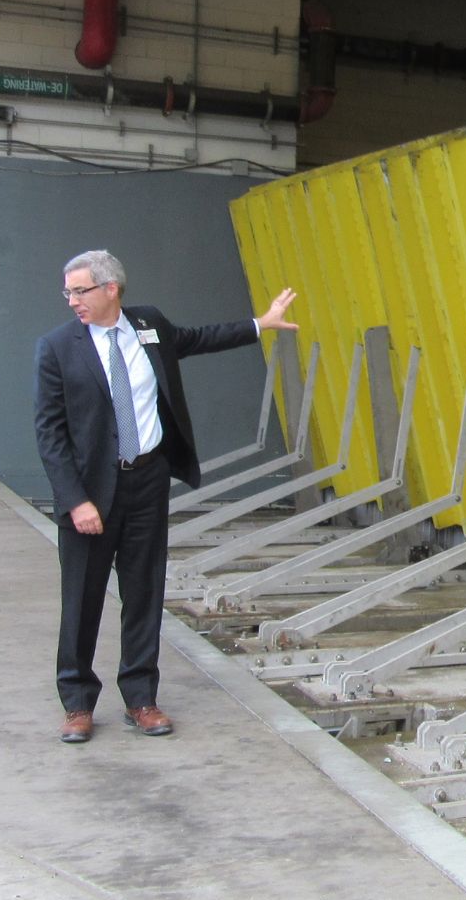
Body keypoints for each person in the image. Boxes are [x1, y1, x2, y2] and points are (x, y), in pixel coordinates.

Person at [34, 250, 297, 743]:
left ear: (111, 289)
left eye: (79, 291)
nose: (71, 301)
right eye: (67, 292)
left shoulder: (148, 324)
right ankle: (76, 703)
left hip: (146, 481)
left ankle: (140, 698)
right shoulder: (57, 348)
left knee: (144, 592)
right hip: (91, 492)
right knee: (82, 599)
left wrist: (259, 324)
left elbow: (195, 340)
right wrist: (75, 501)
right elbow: (49, 433)